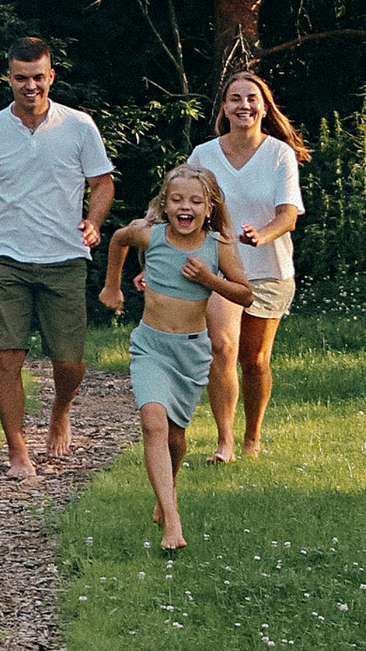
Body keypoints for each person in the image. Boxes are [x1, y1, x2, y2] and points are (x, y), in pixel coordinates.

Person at [0, 37, 115, 476]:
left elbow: (103, 183)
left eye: (38, 77)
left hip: (65, 258)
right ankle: (17, 452)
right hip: (5, 259)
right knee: (7, 356)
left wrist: (94, 221)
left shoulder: (79, 126)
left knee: (69, 362)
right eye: (20, 78)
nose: (30, 86)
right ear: (8, 78)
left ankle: (60, 410)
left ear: (51, 76)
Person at [97, 162, 254, 552]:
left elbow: (245, 295)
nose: (186, 207)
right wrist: (112, 288)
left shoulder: (217, 246)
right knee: (153, 422)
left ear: (210, 207)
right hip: (151, 345)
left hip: (191, 352)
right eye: (177, 200)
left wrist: (208, 280)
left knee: (176, 438)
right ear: (165, 205)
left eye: (196, 201)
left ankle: (167, 488)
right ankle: (173, 519)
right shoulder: (151, 236)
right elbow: (117, 238)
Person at [189, 65, 310, 464]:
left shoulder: (279, 154)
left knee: (254, 360)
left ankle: (252, 436)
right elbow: (181, 208)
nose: (244, 105)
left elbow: (289, 214)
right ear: (224, 108)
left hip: (268, 268)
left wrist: (262, 234)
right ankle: (224, 442)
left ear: (263, 107)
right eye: (236, 98)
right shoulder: (203, 156)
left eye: (252, 98)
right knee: (222, 347)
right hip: (220, 270)